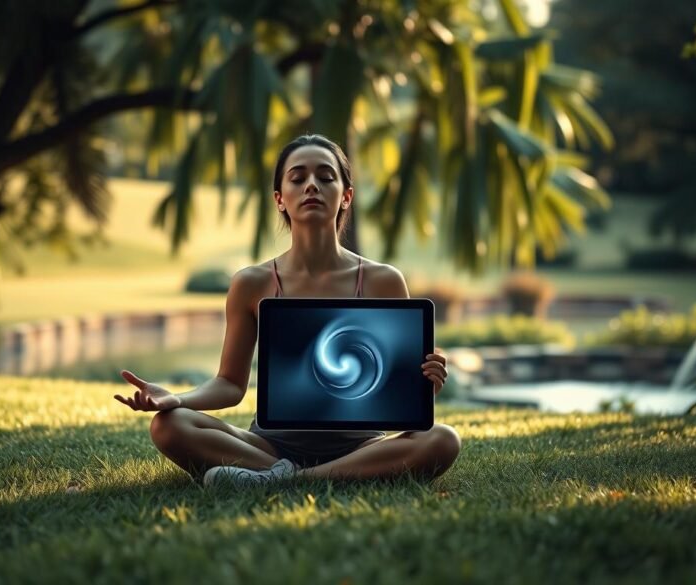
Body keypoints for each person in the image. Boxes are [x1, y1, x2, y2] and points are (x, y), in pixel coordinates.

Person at [114, 134, 461, 487]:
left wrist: (421, 387)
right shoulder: (251, 283)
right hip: (269, 444)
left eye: (326, 177)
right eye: (298, 178)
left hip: (360, 445)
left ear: (346, 196)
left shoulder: (383, 281)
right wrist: (177, 398)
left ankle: (281, 480)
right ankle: (296, 474)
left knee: (442, 439)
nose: (312, 185)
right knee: (170, 425)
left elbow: (395, 393)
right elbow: (229, 384)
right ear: (280, 199)